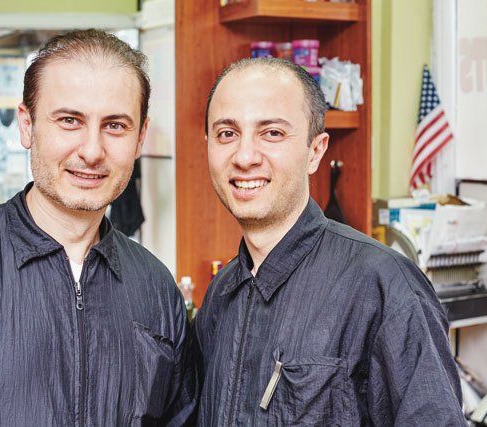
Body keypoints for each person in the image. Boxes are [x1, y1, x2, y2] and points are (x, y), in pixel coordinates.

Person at [0, 29, 197, 425]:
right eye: (69, 120)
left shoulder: (157, 289)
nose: (92, 150)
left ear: (139, 138)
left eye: (115, 125)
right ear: (26, 125)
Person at [195, 57, 466, 425]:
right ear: (208, 145)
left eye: (272, 133)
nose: (245, 156)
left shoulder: (384, 286)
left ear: (316, 151)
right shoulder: (221, 295)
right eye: (228, 133)